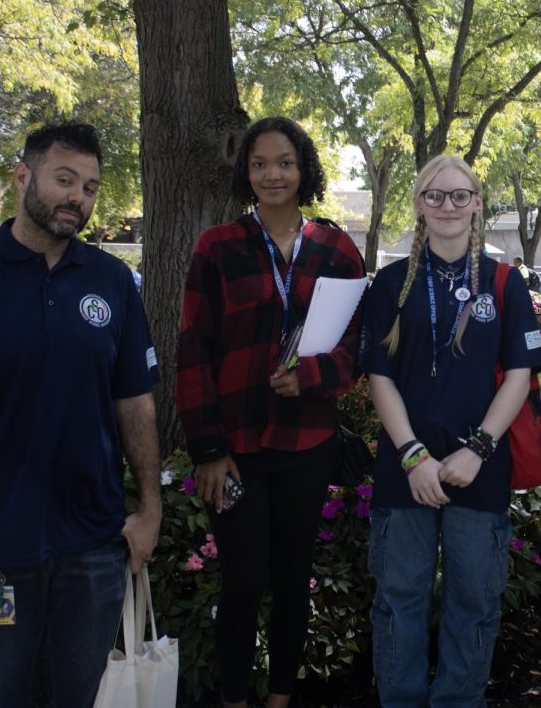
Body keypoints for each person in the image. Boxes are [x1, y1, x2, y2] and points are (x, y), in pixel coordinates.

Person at [0, 123, 162, 707]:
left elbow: (136, 404)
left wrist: (149, 508)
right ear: (24, 177)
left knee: (82, 694)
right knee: (4, 695)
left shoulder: (113, 282)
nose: (79, 197)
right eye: (65, 179)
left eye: (91, 187)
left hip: (95, 542)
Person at [176, 116, 364, 708]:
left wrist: (311, 376)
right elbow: (192, 349)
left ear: (304, 168)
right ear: (245, 172)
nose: (272, 174)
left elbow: (358, 346)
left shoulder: (335, 247)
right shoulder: (218, 246)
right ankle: (235, 698)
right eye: (259, 164)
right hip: (236, 450)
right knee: (242, 581)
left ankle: (281, 698)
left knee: (290, 580)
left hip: (306, 444)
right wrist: (207, 448)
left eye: (284, 162)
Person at [359, 154, 541, 707]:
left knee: (475, 602)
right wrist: (414, 455)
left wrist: (478, 449)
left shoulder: (504, 282)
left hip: (478, 467)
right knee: (399, 600)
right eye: (435, 196)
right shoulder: (392, 283)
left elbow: (519, 374)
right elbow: (378, 375)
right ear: (419, 204)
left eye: (459, 195)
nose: (448, 206)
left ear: (477, 205)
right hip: (405, 469)